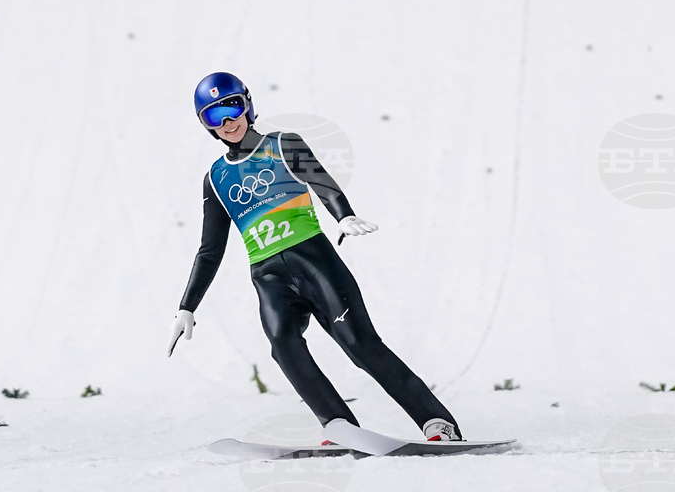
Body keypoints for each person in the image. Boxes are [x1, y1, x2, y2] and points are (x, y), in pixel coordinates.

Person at [167, 72, 464, 442]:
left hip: (314, 261)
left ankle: (437, 422)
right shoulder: (215, 177)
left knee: (361, 346)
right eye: (215, 116)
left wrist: (344, 214)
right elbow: (210, 249)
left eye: (233, 107)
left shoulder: (283, 144)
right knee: (283, 346)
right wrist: (187, 306)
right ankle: (337, 424)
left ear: (248, 104)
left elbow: (321, 181)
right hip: (267, 275)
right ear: (205, 125)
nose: (228, 122)